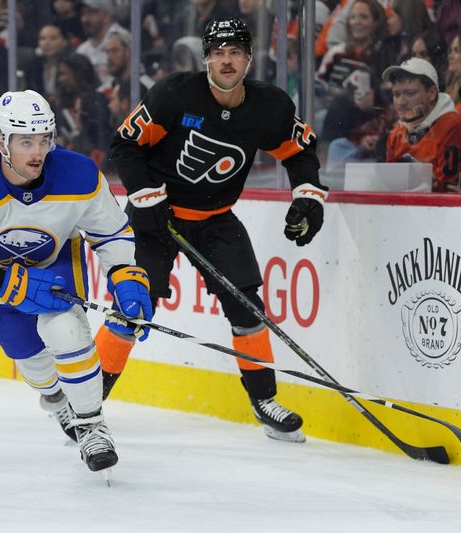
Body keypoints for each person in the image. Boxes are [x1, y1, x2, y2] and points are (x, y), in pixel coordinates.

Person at [105, 18, 329, 443]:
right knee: (133, 305)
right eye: (219, 52)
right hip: (159, 216)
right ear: (206, 57)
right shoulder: (175, 93)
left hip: (216, 219)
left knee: (248, 308)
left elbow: (300, 153)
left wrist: (307, 198)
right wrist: (146, 198)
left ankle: (265, 401)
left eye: (235, 52)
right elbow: (125, 146)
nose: (227, 61)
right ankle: (88, 401)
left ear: (248, 58)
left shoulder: (270, 106)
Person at [0, 90, 151, 474]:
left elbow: (111, 234)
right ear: (1, 141)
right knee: (31, 361)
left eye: (44, 139)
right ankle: (56, 400)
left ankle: (92, 425)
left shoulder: (80, 174)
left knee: (68, 331)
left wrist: (124, 274)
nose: (37, 152)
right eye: (25, 141)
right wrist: (5, 283)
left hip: (55, 261)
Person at [382, 57, 461, 193]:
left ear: (431, 93)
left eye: (410, 93)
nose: (401, 102)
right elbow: (389, 187)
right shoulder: (396, 133)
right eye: (396, 94)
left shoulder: (452, 126)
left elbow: (446, 189)